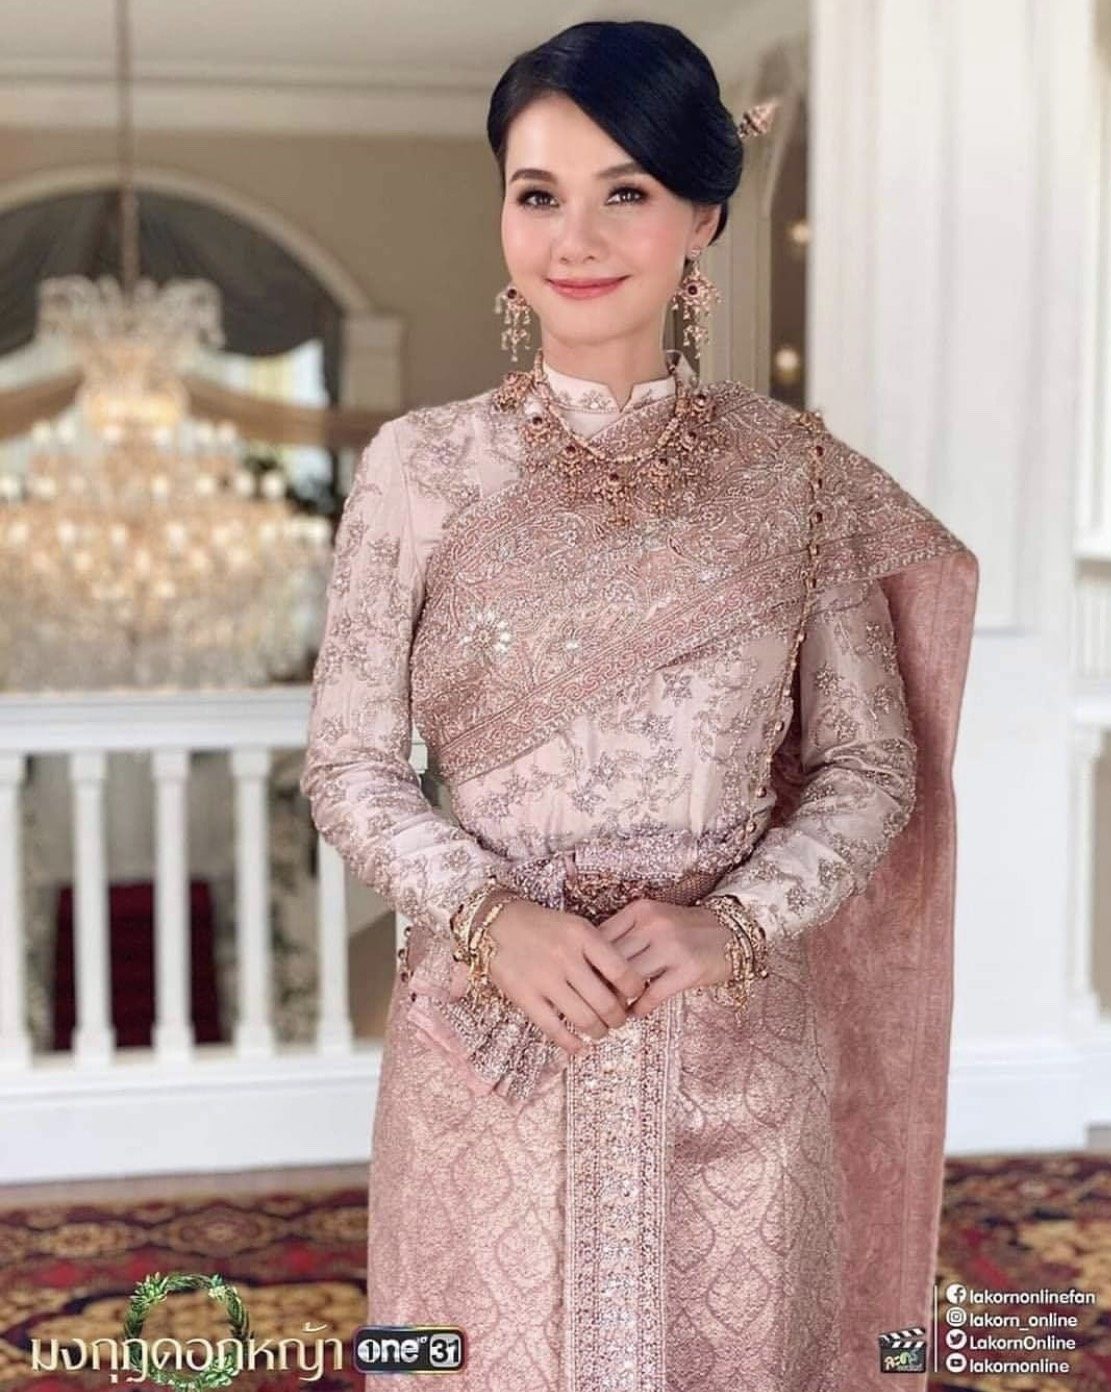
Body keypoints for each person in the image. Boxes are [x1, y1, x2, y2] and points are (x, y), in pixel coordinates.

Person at [299, 19, 978, 1392]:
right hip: (492, 1046)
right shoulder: (420, 469)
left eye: (627, 191)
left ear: (702, 217)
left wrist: (736, 922)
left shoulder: (795, 476)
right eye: (537, 192)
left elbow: (867, 766)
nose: (576, 237)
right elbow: (350, 764)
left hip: (733, 1052)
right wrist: (492, 919)